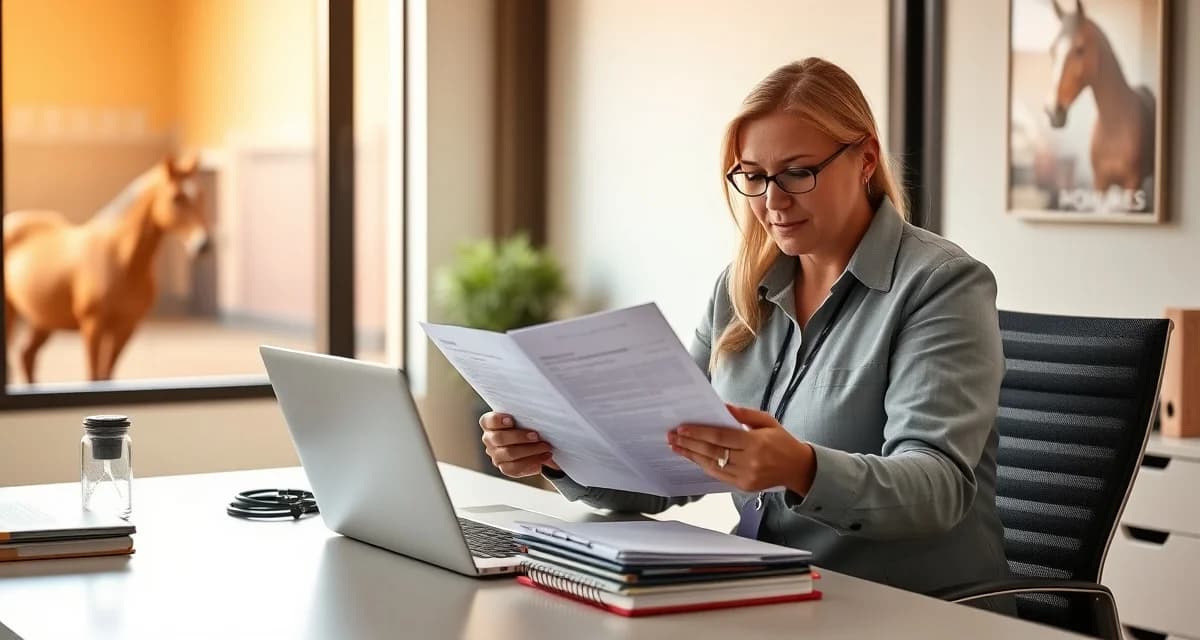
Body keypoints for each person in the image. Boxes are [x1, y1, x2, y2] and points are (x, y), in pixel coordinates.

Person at [477, 58, 1010, 598]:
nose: (772, 202)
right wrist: (559, 455)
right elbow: (669, 466)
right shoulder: (739, 290)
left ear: (866, 159)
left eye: (798, 172)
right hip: (767, 592)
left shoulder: (942, 285)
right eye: (753, 177)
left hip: (909, 609)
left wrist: (802, 468)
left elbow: (938, 489)